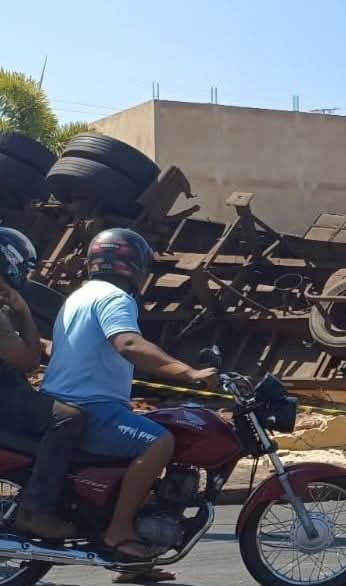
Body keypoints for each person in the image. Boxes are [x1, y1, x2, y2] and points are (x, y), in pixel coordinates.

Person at [41, 229, 217, 564]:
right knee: (159, 442)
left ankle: (138, 559)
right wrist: (189, 373)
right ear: (135, 264)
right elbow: (128, 344)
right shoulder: (115, 299)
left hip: (67, 403)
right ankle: (119, 531)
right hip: (91, 408)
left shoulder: (79, 295)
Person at [0, 228, 85, 539]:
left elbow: (3, 344)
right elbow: (28, 363)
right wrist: (25, 312)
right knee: (69, 418)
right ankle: (36, 512)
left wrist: (39, 341)